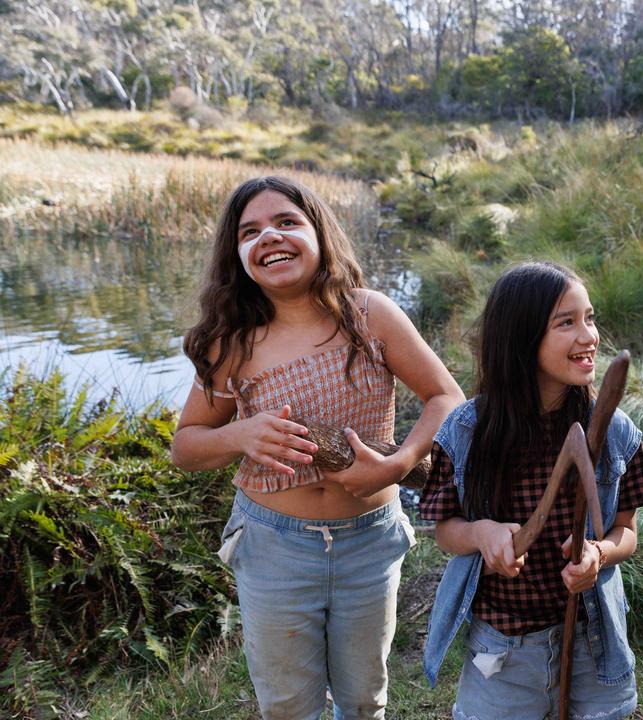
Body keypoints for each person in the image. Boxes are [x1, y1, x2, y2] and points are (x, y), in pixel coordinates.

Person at [170, 176, 465, 720]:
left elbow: (446, 398)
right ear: (237, 256)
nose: (269, 237)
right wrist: (240, 435)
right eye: (250, 231)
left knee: (363, 698)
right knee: (286, 705)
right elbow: (185, 447)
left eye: (286, 222)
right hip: (272, 546)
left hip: (369, 544)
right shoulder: (229, 341)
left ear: (320, 235)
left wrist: (398, 465)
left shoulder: (369, 315)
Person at [419, 260, 643, 720]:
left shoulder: (614, 433)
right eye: (566, 322)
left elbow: (626, 531)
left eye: (590, 317)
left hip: (592, 637)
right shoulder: (469, 431)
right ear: (521, 337)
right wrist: (481, 533)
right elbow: (445, 529)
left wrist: (599, 555)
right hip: (503, 646)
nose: (588, 335)